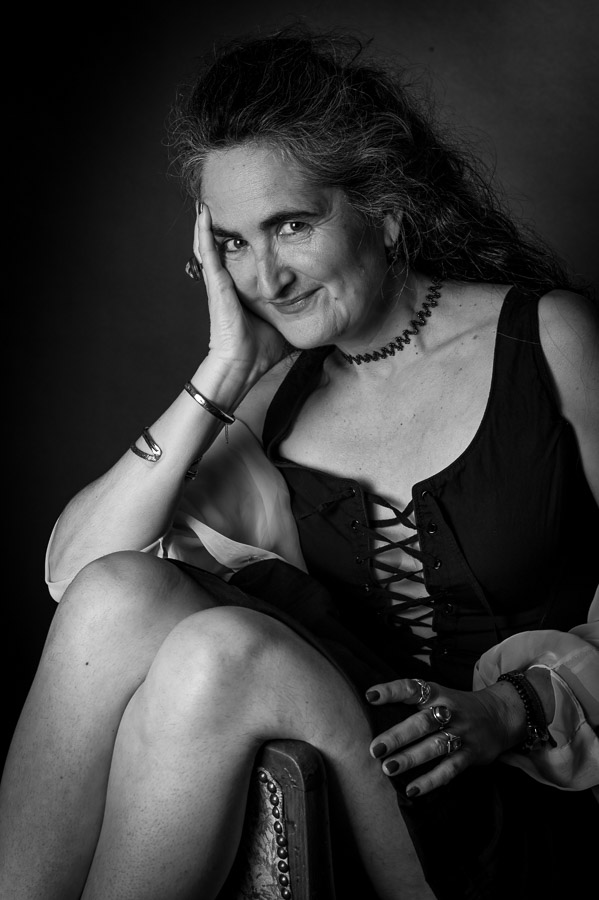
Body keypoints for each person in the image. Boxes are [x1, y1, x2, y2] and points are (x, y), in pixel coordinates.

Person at [1, 25, 597, 900]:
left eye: (290, 226)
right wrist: (222, 370)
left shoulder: (548, 341)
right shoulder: (273, 399)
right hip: (366, 767)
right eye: (234, 243)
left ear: (384, 209)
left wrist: (514, 707)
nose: (266, 279)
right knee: (134, 597)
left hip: (520, 785)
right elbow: (82, 582)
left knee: (220, 654)